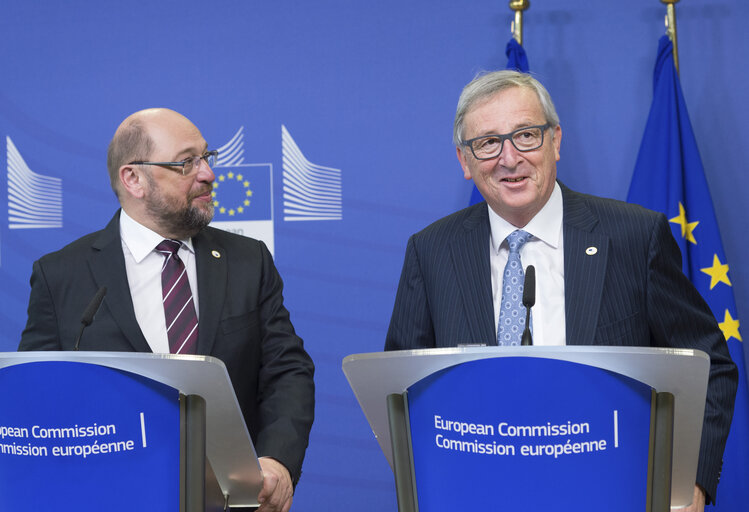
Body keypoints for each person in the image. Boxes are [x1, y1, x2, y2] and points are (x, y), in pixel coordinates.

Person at [384, 70, 737, 510]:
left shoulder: (632, 237)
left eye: (526, 135)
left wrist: (691, 483)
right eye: (488, 143)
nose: (509, 158)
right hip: (478, 495)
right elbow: (402, 391)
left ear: (555, 141)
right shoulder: (431, 251)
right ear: (464, 160)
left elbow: (707, 365)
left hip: (613, 493)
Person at [19, 108, 314, 512]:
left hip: (231, 500)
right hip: (106, 496)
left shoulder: (248, 260)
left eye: (207, 157)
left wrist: (277, 462)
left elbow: (287, 371)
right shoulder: (61, 276)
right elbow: (37, 396)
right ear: (134, 179)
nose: (208, 173)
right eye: (186, 162)